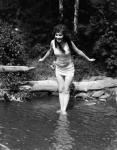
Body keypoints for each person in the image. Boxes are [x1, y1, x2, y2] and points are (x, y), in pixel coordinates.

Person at [38, 24, 95, 115]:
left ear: (63, 35)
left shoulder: (69, 43)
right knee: (60, 89)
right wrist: (43, 59)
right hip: (59, 69)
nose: (58, 37)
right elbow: (49, 51)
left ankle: (64, 110)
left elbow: (78, 51)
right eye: (56, 35)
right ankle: (61, 109)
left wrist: (88, 59)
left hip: (69, 69)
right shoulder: (53, 42)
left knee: (66, 89)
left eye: (60, 35)